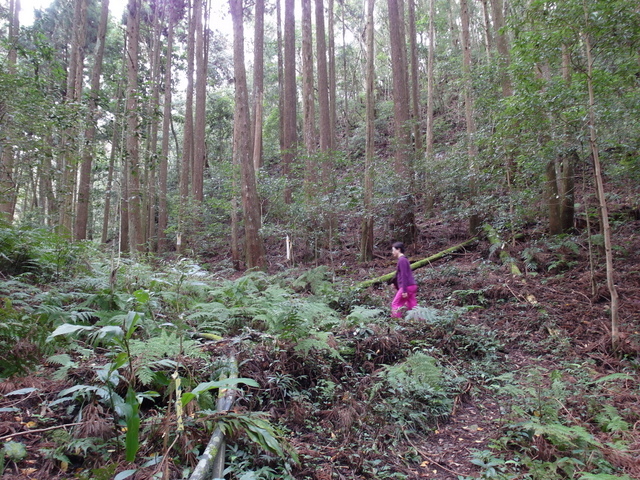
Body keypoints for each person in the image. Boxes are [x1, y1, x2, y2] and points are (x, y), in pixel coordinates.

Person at [391, 241, 418, 318]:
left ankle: (396, 321)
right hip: (412, 285)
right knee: (412, 305)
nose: (392, 252)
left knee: (395, 304)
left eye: (393, 250)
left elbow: (404, 275)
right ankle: (419, 321)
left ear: (398, 249)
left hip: (407, 286)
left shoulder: (402, 260)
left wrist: (404, 290)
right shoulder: (404, 260)